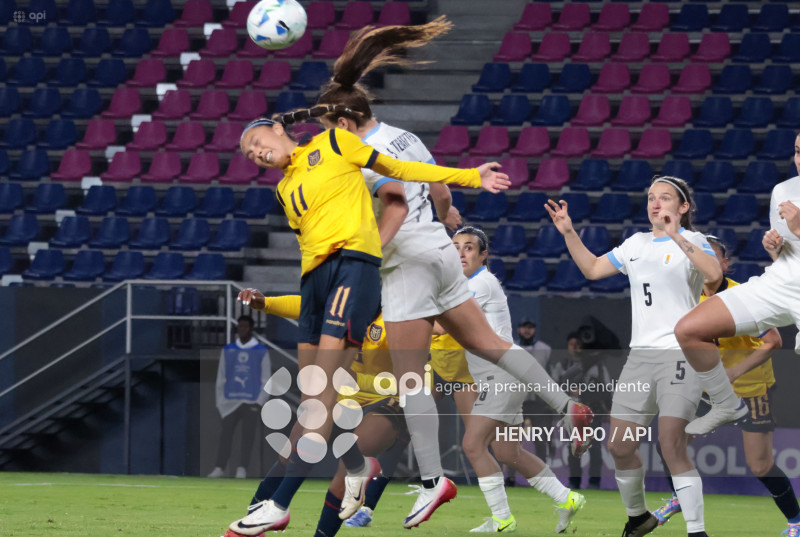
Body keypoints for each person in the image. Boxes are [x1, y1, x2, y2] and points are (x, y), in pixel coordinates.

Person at [307, 20, 595, 529]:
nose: (328, 137)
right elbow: (440, 192)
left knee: (411, 375)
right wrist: (447, 221)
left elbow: (391, 208)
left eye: (330, 127)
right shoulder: (406, 138)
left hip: (407, 264)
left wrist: (363, 256)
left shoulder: (359, 160)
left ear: (346, 122)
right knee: (489, 343)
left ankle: (432, 480)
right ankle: (564, 400)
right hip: (442, 250)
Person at [234, 86, 510, 532]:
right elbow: (312, 290)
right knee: (309, 418)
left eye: (256, 143)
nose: (256, 155)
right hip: (344, 358)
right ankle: (266, 506)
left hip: (386, 398)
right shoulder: (290, 190)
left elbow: (398, 187)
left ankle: (311, 505)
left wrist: (465, 179)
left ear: (277, 128)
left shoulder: (338, 149)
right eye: (248, 155)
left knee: (329, 433)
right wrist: (268, 301)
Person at [546, 175, 723, 537]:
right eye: (650, 197)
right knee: (619, 445)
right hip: (640, 357)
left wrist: (677, 235)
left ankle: (697, 531)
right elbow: (593, 269)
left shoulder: (693, 240)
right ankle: (638, 517)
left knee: (671, 442)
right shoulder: (635, 244)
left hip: (680, 355)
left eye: (665, 198)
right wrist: (568, 232)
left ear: (683, 207)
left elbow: (714, 275)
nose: (655, 203)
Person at [223, 294, 410, 537]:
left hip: (388, 397)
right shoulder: (347, 301)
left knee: (347, 468)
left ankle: (314, 524)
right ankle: (250, 525)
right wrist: (266, 303)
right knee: (291, 447)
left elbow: (410, 376)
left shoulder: (398, 316)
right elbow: (308, 305)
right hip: (345, 392)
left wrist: (360, 381)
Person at [654, 236, 798, 537]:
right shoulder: (688, 298)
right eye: (697, 256)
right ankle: (680, 498)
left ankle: (796, 522)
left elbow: (774, 341)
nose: (702, 263)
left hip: (750, 388)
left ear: (724, 263)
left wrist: (734, 371)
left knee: (760, 465)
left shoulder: (743, 295)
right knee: (669, 441)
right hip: (708, 389)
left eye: (711, 256)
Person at [449, 226, 585, 534]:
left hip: (501, 375)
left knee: (472, 445)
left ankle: (501, 518)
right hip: (499, 377)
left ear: (485, 255)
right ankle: (566, 498)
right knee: (509, 453)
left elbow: (443, 327)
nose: (460, 252)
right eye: (455, 246)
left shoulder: (480, 282)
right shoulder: (466, 285)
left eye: (468, 247)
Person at [674, 132, 800, 439]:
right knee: (689, 329)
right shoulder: (783, 191)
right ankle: (725, 402)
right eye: (797, 151)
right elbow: (785, 251)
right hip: (780, 282)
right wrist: (775, 246)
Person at [207, 315, 270, 479]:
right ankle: (219, 467)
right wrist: (220, 400)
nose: (242, 329)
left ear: (251, 329)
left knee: (248, 436)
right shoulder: (228, 350)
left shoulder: (261, 351)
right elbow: (221, 376)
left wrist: (260, 401)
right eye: (240, 326)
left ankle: (242, 468)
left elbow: (266, 378)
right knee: (225, 435)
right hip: (231, 400)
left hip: (251, 400)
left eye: (245, 327)